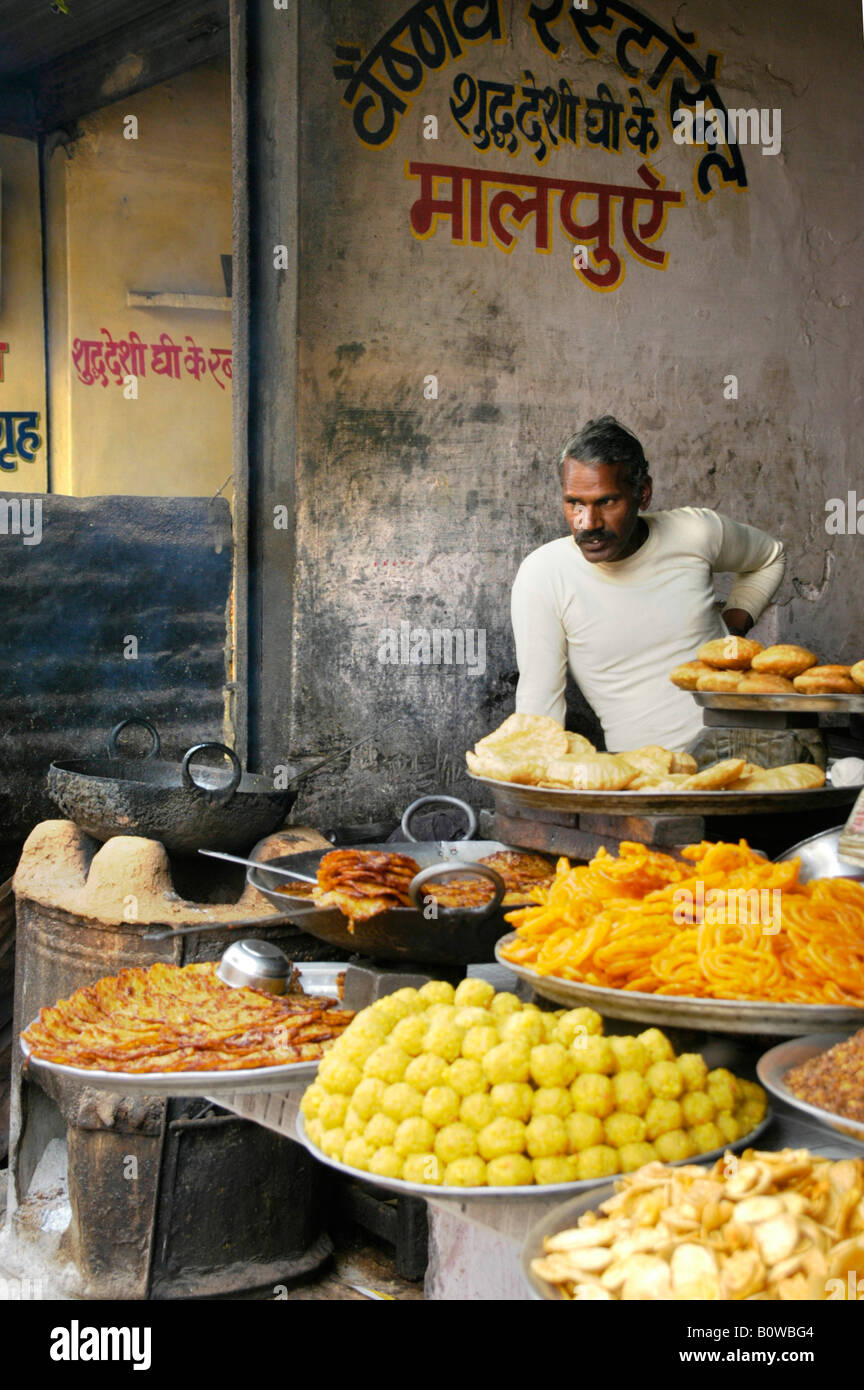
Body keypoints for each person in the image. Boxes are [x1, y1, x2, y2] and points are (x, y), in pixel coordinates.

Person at [511, 416, 786, 752]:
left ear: (642, 493)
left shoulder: (696, 533)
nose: (588, 523)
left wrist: (733, 632)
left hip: (751, 746)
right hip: (646, 778)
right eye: (574, 503)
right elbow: (540, 708)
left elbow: (770, 557)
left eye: (606, 501)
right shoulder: (544, 575)